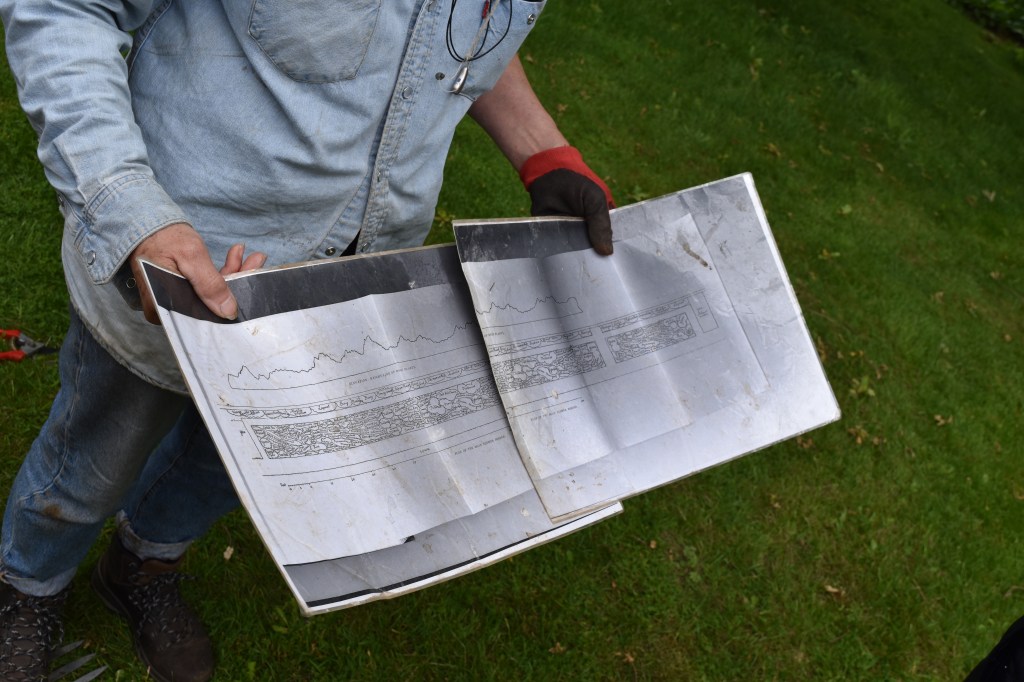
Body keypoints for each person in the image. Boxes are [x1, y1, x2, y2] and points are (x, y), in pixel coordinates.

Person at [0, 1, 615, 679]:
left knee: (230, 466)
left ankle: (142, 564)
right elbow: (63, 10)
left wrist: (542, 151)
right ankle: (27, 585)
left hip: (344, 292)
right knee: (93, 462)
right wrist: (125, 207)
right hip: (174, 263)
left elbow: (454, 37)